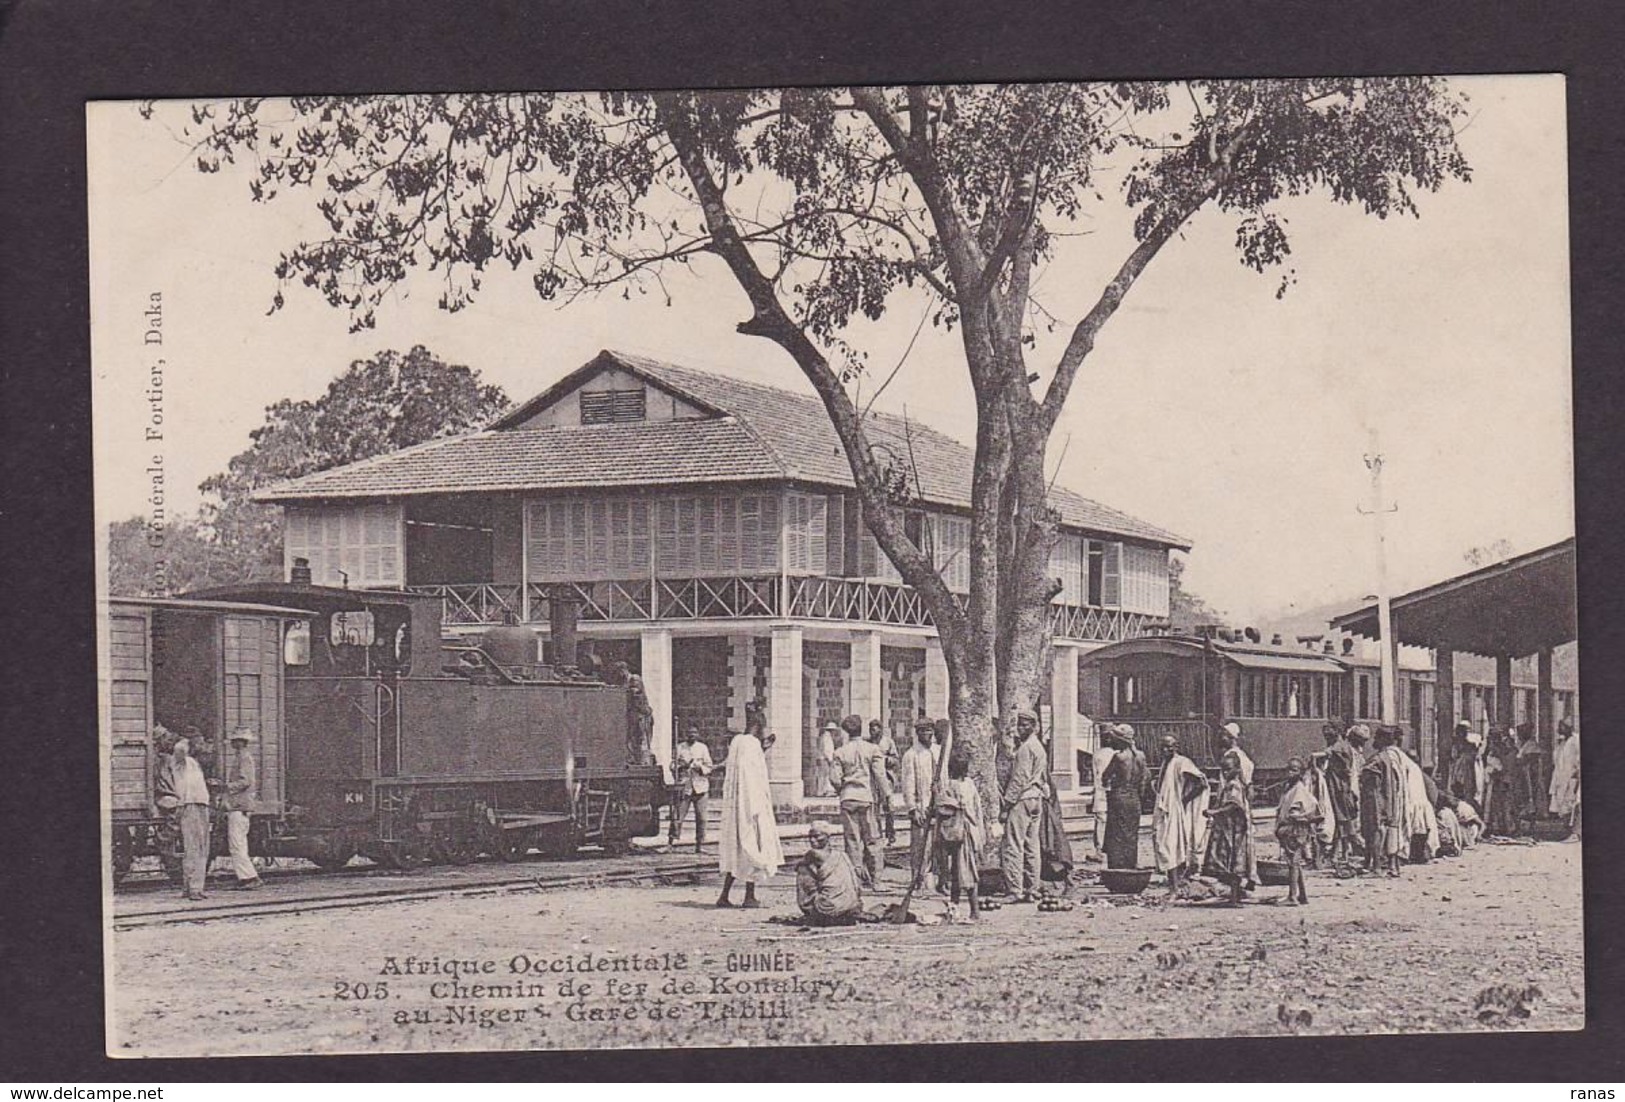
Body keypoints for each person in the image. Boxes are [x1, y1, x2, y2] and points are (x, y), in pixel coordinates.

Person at [716, 724, 783, 908]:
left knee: (736, 850)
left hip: (737, 806)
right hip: (751, 804)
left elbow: (745, 766)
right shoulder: (751, 744)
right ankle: (749, 896)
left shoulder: (738, 742)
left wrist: (764, 748)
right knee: (752, 848)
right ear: (758, 728)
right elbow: (752, 775)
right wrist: (757, 806)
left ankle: (724, 895)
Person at [831, 714, 888, 887]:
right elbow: (880, 775)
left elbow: (834, 778)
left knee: (852, 841)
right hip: (866, 798)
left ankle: (855, 880)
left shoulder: (840, 752)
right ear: (861, 728)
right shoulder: (872, 749)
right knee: (873, 839)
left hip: (847, 798)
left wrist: (843, 788)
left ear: (846, 731)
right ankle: (877, 880)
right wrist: (887, 796)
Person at [999, 709, 1049, 902]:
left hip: (1022, 799)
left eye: (1025, 724)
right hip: (1036, 798)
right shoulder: (1038, 747)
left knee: (1013, 845)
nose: (1021, 728)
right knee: (1031, 845)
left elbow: (1019, 779)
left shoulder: (1026, 749)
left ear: (1034, 726)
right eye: (1019, 724)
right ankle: (1032, 888)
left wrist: (1007, 804)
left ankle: (1015, 889)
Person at [156, 735, 213, 901]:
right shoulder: (179, 761)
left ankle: (190, 887)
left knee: (197, 847)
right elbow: (180, 749)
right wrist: (189, 740)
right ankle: (194, 889)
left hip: (198, 805)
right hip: (192, 805)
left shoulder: (191, 763)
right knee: (196, 847)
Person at [1152, 733, 1209, 898]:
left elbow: (1201, 782)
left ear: (1176, 747)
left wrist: (1184, 800)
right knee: (1168, 846)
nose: (1165, 750)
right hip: (1165, 809)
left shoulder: (1182, 762)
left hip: (1174, 810)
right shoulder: (1166, 762)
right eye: (1163, 747)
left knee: (1169, 847)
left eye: (1169, 747)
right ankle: (1178, 885)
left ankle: (1174, 888)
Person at [1202, 749, 1257, 905]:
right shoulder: (1231, 784)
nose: (1225, 772)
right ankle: (1236, 894)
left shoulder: (1234, 785)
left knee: (1233, 861)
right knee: (1231, 860)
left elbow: (1233, 805)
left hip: (1234, 829)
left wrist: (1215, 811)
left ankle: (1234, 897)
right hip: (1229, 827)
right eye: (1223, 769)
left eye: (1228, 769)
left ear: (1237, 769)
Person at [935, 752, 984, 923]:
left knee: (965, 871)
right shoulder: (969, 784)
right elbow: (978, 809)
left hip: (961, 833)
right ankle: (955, 906)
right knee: (958, 870)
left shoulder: (950, 786)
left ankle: (974, 910)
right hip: (966, 832)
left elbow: (943, 808)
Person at [1360, 727, 1409, 878]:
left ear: (1382, 740)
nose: (1374, 740)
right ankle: (1393, 866)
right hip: (1392, 799)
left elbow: (1372, 783)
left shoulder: (1378, 759)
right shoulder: (1391, 758)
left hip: (1377, 799)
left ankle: (1376, 868)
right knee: (1392, 832)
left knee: (1375, 831)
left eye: (1377, 738)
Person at [794, 822, 865, 926]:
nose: (812, 840)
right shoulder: (842, 854)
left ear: (828, 837)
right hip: (853, 907)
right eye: (810, 837)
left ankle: (810, 910)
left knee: (802, 868)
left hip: (828, 909)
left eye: (817, 836)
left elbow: (797, 867)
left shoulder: (813, 854)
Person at [1274, 757, 1322, 905]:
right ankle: (1302, 895)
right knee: (1295, 861)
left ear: (1300, 773)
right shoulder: (1291, 788)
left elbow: (1306, 808)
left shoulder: (1299, 790)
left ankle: (1292, 896)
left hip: (1295, 830)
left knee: (1293, 862)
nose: (1289, 773)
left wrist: (1298, 817)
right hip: (1292, 830)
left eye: (1294, 770)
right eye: (1288, 769)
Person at [1100, 724, 1148, 869]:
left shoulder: (1119, 757)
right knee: (1131, 834)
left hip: (1119, 797)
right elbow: (1144, 779)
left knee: (1116, 834)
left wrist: (1112, 783)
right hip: (1134, 798)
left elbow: (1105, 777)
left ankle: (1117, 866)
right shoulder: (1141, 756)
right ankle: (1130, 863)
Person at [899, 718, 938, 892]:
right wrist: (913, 808)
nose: (926, 734)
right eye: (922, 731)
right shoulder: (911, 755)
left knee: (937, 846)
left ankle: (936, 879)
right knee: (919, 845)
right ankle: (917, 878)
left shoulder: (938, 752)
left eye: (929, 730)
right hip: (921, 807)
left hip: (938, 806)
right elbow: (908, 784)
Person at [221, 726, 263, 890]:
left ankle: (249, 878)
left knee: (237, 843)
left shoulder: (244, 758)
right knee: (238, 843)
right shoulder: (242, 757)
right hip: (240, 806)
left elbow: (246, 781)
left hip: (240, 806)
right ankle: (247, 876)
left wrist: (227, 786)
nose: (232, 742)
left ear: (240, 742)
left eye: (235, 740)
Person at [1320, 723, 1361, 866]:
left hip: (1339, 789)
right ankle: (1339, 853)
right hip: (1339, 787)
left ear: (1336, 732)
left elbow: (1332, 756)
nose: (1326, 737)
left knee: (1341, 820)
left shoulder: (1339, 747)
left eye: (1328, 734)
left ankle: (1341, 853)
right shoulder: (1343, 746)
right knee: (1341, 821)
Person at [670, 725, 714, 852]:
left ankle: (699, 845)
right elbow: (672, 765)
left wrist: (700, 768)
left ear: (698, 735)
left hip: (700, 787)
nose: (692, 735)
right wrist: (680, 767)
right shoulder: (680, 747)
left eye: (694, 733)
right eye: (690, 733)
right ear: (686, 734)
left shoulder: (702, 748)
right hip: (685, 786)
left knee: (702, 818)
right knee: (677, 816)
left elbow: (709, 766)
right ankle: (670, 843)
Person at [1398, 735, 1439, 863]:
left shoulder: (1413, 770)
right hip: (1420, 804)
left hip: (1416, 803)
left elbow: (1432, 791)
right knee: (1419, 829)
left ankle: (1414, 855)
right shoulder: (1416, 770)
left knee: (1416, 829)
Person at [614, 661, 655, 766]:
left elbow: (635, 692)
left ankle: (644, 761)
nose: (617, 675)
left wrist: (620, 691)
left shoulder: (634, 678)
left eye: (618, 671)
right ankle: (633, 759)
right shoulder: (623, 681)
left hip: (641, 714)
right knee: (631, 739)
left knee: (641, 739)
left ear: (623, 670)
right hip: (632, 715)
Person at [867, 719, 901, 845]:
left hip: (886, 778)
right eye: (871, 729)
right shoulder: (867, 743)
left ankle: (890, 834)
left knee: (888, 807)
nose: (873, 731)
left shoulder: (888, 742)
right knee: (874, 808)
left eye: (875, 728)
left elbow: (896, 760)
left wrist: (885, 760)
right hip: (872, 779)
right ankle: (876, 834)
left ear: (881, 729)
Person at [1550, 719, 1581, 841]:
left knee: (1573, 804)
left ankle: (1575, 832)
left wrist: (1577, 775)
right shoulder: (1562, 742)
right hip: (1560, 777)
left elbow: (1578, 759)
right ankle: (1567, 831)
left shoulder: (1576, 740)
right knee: (1562, 805)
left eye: (1561, 727)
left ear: (1568, 727)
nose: (1559, 729)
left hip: (1572, 777)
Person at [1090, 730, 1117, 859]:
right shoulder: (1116, 754)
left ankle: (1100, 850)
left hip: (1100, 791)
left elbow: (1096, 774)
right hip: (1111, 791)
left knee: (1100, 821)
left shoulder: (1097, 754)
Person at [1219, 722, 1254, 789]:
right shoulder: (1239, 753)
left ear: (1232, 738)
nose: (1223, 738)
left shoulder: (1234, 754)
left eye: (1225, 735)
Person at [810, 721, 839, 798]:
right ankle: (823, 791)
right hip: (825, 759)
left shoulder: (824, 737)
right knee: (824, 776)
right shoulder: (826, 738)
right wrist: (830, 760)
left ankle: (823, 790)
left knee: (823, 775)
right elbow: (827, 750)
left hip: (823, 758)